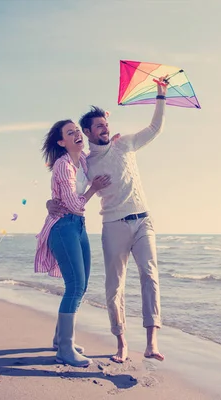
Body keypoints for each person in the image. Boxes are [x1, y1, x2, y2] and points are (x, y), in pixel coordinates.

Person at [49, 76, 168, 363]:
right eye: (99, 126)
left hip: (143, 220)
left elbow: (154, 128)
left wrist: (160, 96)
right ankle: (121, 343)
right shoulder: (86, 161)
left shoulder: (125, 144)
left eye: (107, 124)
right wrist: (50, 201)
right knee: (114, 286)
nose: (106, 129)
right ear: (87, 132)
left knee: (150, 275)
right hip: (113, 225)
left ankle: (152, 343)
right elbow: (71, 183)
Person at [34, 119, 111, 367]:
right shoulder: (63, 165)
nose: (77, 134)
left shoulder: (83, 160)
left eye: (77, 130)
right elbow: (74, 204)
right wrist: (93, 189)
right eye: (70, 133)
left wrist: (110, 134)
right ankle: (65, 350)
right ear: (61, 142)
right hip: (63, 226)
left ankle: (60, 340)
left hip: (79, 226)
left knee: (82, 285)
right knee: (75, 286)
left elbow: (101, 149)